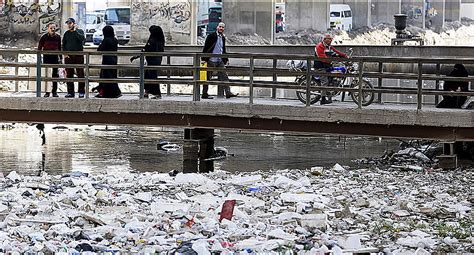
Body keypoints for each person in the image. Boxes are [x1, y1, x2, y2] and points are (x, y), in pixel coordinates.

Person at [201, 22, 238, 99]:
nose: (221, 28)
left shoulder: (223, 37)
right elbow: (206, 47)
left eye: (223, 27)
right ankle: (204, 94)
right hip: (211, 59)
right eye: (220, 27)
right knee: (208, 77)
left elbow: (223, 49)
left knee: (224, 76)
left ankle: (228, 92)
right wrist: (204, 59)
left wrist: (226, 59)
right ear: (217, 27)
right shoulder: (211, 36)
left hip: (219, 60)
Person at [130, 25, 165, 99]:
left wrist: (136, 56)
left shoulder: (152, 40)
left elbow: (146, 49)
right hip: (157, 60)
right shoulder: (160, 39)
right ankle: (147, 92)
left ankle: (156, 93)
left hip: (152, 61)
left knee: (151, 77)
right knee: (148, 76)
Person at [314, 34, 347, 105]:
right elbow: (322, 57)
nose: (330, 41)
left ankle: (329, 95)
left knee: (332, 76)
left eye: (331, 39)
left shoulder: (329, 47)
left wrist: (343, 55)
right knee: (325, 81)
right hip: (320, 66)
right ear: (324, 40)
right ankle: (323, 99)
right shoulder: (320, 46)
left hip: (327, 66)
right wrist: (331, 60)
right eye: (328, 39)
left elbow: (336, 51)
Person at [94, 25, 121, 98]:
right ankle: (115, 92)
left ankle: (106, 93)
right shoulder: (115, 40)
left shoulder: (106, 40)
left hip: (106, 61)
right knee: (113, 77)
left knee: (105, 78)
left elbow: (100, 49)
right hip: (114, 60)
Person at [62, 17, 86, 98]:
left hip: (78, 55)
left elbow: (82, 39)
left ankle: (81, 91)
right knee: (69, 74)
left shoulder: (79, 31)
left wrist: (75, 31)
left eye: (70, 23)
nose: (69, 25)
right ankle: (70, 92)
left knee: (80, 74)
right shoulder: (66, 33)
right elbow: (63, 44)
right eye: (68, 23)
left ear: (74, 24)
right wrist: (65, 53)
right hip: (69, 57)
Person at [38, 23, 61, 97]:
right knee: (47, 76)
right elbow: (39, 48)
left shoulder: (58, 37)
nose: (53, 29)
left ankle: (54, 92)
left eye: (54, 28)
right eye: (51, 28)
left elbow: (60, 48)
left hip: (55, 58)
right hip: (46, 58)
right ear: (48, 29)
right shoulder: (44, 37)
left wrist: (60, 58)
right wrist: (39, 58)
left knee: (55, 75)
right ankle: (47, 92)